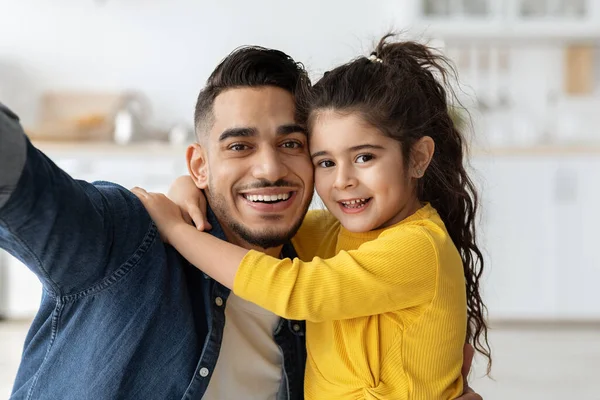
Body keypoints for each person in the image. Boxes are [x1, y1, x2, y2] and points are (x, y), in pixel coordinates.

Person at [0, 45, 482, 399]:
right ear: (200, 164)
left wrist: (182, 223)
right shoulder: (129, 236)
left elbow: (302, 289)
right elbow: (27, 189)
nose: (270, 169)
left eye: (292, 144)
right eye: (239, 145)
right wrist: (181, 206)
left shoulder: (321, 258)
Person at [134, 35, 491, 399]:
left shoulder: (418, 247)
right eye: (325, 162)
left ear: (417, 157)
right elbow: (261, 222)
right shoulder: (338, 234)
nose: (343, 180)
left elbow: (297, 290)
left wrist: (176, 229)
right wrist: (189, 188)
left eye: (365, 157)